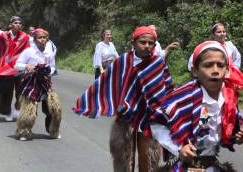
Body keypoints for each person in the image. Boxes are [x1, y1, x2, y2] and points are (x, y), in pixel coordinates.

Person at [74, 26, 173, 172]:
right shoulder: (124, 61)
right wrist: (90, 101)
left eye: (150, 43)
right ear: (133, 42)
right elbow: (108, 83)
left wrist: (169, 111)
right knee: (125, 158)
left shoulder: (158, 63)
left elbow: (167, 88)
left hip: (149, 117)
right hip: (127, 116)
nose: (147, 46)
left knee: (149, 158)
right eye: (142, 42)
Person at [151, 41, 243, 171]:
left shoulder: (229, 98)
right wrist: (179, 148)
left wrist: (236, 137)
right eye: (208, 65)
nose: (215, 70)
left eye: (220, 65)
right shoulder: (184, 97)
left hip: (211, 164)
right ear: (195, 71)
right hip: (187, 166)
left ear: (227, 71)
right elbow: (157, 122)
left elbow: (226, 129)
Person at [14, 28, 62, 141]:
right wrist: (26, 66)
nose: (42, 40)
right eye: (40, 38)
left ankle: (53, 130)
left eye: (44, 38)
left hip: (45, 82)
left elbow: (53, 66)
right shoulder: (28, 52)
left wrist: (48, 71)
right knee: (29, 110)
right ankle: (24, 132)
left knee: (54, 108)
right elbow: (17, 65)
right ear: (35, 40)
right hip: (31, 82)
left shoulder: (49, 53)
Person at [0, 16, 30, 121]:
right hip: (6, 69)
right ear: (10, 25)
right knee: (6, 91)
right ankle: (7, 111)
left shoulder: (25, 37)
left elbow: (30, 50)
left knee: (21, 91)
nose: (18, 25)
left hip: (20, 69)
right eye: (16, 23)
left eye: (20, 23)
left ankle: (18, 109)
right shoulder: (4, 35)